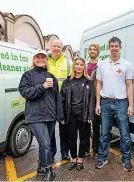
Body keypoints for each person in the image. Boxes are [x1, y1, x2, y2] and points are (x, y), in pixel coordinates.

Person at [19, 50, 63, 181]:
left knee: (45, 143)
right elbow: (25, 92)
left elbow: (57, 98)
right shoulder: (27, 75)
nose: (40, 59)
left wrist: (59, 115)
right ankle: (49, 171)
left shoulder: (51, 76)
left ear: (46, 60)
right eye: (37, 57)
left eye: (43, 57)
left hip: (50, 116)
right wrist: (42, 87)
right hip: (35, 116)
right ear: (34, 60)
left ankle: (41, 166)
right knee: (45, 143)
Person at [95, 37, 134, 172]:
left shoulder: (127, 65)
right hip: (105, 103)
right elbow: (98, 84)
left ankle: (127, 159)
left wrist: (131, 105)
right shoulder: (101, 64)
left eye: (116, 46)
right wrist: (98, 103)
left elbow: (129, 85)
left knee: (124, 134)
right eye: (112, 46)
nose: (114, 48)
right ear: (109, 47)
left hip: (121, 103)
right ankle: (102, 157)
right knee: (104, 133)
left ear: (120, 48)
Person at [60, 57, 95, 171]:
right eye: (77, 64)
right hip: (71, 115)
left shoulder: (88, 81)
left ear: (84, 66)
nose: (79, 66)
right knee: (72, 137)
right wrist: (62, 115)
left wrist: (90, 115)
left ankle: (80, 158)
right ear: (73, 66)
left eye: (81, 64)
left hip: (83, 114)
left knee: (84, 137)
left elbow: (91, 99)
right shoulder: (67, 82)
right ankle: (73, 158)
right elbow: (62, 99)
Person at [48, 39, 71, 161]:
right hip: (49, 100)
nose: (56, 48)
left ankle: (64, 152)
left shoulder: (68, 62)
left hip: (63, 101)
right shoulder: (44, 61)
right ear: (50, 47)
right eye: (54, 46)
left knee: (64, 129)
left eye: (58, 46)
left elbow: (72, 80)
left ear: (61, 48)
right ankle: (51, 153)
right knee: (50, 129)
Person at [86, 44, 101, 158]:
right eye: (90, 49)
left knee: (96, 125)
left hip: (97, 97)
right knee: (85, 123)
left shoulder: (102, 65)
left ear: (97, 51)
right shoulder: (84, 65)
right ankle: (86, 148)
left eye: (94, 49)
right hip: (85, 97)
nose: (92, 51)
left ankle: (95, 148)